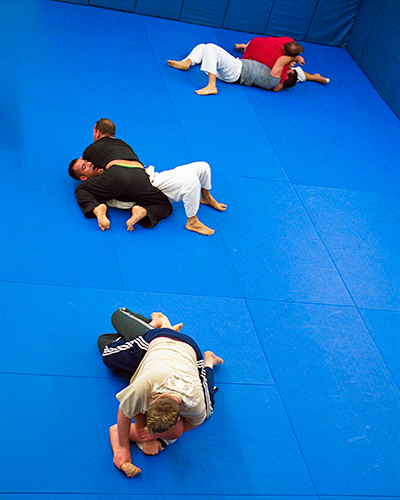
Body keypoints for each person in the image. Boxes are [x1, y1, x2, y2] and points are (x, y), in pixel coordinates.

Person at [97, 308, 223, 472]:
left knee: (208, 408)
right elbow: (124, 413)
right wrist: (123, 448)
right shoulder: (145, 385)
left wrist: (159, 438)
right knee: (106, 348)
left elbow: (193, 423)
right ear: (154, 400)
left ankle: (207, 360)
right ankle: (159, 324)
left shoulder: (195, 406)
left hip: (186, 352)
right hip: (159, 346)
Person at [70, 119, 227, 235]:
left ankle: (205, 197)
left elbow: (91, 175)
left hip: (144, 176)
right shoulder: (122, 144)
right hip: (142, 176)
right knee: (188, 184)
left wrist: (96, 177)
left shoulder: (90, 151)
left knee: (202, 167)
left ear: (97, 132)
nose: (88, 164)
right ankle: (191, 220)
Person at [167, 43, 304, 95]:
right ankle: (187, 62)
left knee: (210, 47)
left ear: (285, 76)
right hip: (233, 72)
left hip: (237, 70)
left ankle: (211, 85)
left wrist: (296, 58)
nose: (289, 68)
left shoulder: (274, 79)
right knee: (204, 48)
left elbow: (282, 60)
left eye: (289, 71)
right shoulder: (274, 82)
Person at [235, 37, 330, 85]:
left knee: (259, 45)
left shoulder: (288, 40)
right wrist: (292, 61)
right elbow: (279, 85)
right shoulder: (279, 61)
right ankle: (315, 77)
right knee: (293, 74)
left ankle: (244, 46)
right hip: (249, 63)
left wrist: (293, 59)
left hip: (253, 42)